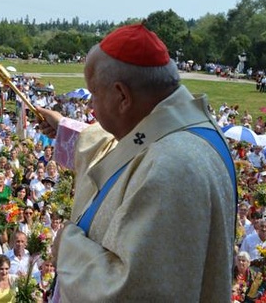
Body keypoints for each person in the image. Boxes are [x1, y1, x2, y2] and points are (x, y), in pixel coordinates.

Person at [36, 23, 235, 301]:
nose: (91, 106)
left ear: (122, 95)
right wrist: (63, 128)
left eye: (94, 94)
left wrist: (67, 248)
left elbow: (134, 291)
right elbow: (121, 145)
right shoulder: (183, 129)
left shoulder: (171, 167)